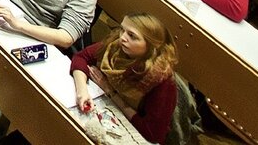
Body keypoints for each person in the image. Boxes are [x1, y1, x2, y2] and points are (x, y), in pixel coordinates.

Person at [71, 14, 180, 145]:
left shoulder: (161, 80)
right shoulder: (115, 46)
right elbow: (81, 58)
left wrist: (110, 91)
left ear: (152, 46)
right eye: (123, 30)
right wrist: (82, 92)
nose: (122, 38)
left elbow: (152, 133)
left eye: (132, 36)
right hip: (108, 106)